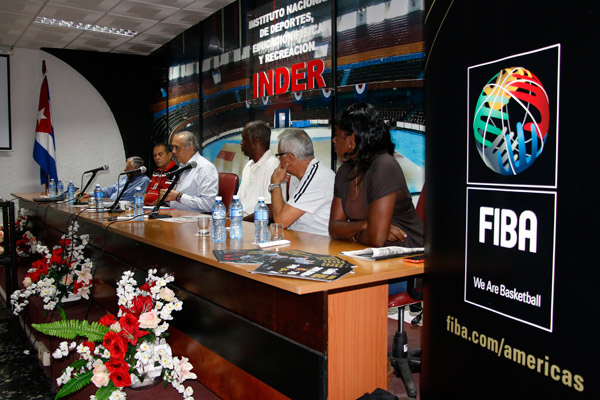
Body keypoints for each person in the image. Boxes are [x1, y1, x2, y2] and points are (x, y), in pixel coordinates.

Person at [329, 103, 424, 248]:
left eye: (337, 135)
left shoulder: (384, 166)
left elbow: (376, 238)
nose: (334, 140)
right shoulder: (344, 172)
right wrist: (364, 225)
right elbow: (334, 229)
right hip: (371, 253)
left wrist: (353, 232)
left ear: (353, 140)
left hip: (408, 253)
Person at [269, 128, 335, 236]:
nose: (279, 160)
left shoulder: (318, 177)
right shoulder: (297, 177)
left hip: (319, 242)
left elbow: (281, 221)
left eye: (279, 155)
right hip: (299, 238)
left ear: (290, 157)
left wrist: (275, 184)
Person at [160, 131, 218, 213]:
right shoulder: (182, 167)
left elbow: (209, 205)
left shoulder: (205, 168)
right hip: (175, 214)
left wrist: (179, 197)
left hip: (195, 219)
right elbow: (175, 199)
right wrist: (167, 197)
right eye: (172, 147)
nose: (173, 151)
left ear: (190, 148)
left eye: (177, 147)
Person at [237, 121, 279, 220]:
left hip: (257, 226)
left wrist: (240, 222)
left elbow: (269, 212)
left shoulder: (273, 165)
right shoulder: (248, 165)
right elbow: (237, 203)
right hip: (242, 223)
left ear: (254, 140)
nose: (241, 143)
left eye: (244, 138)